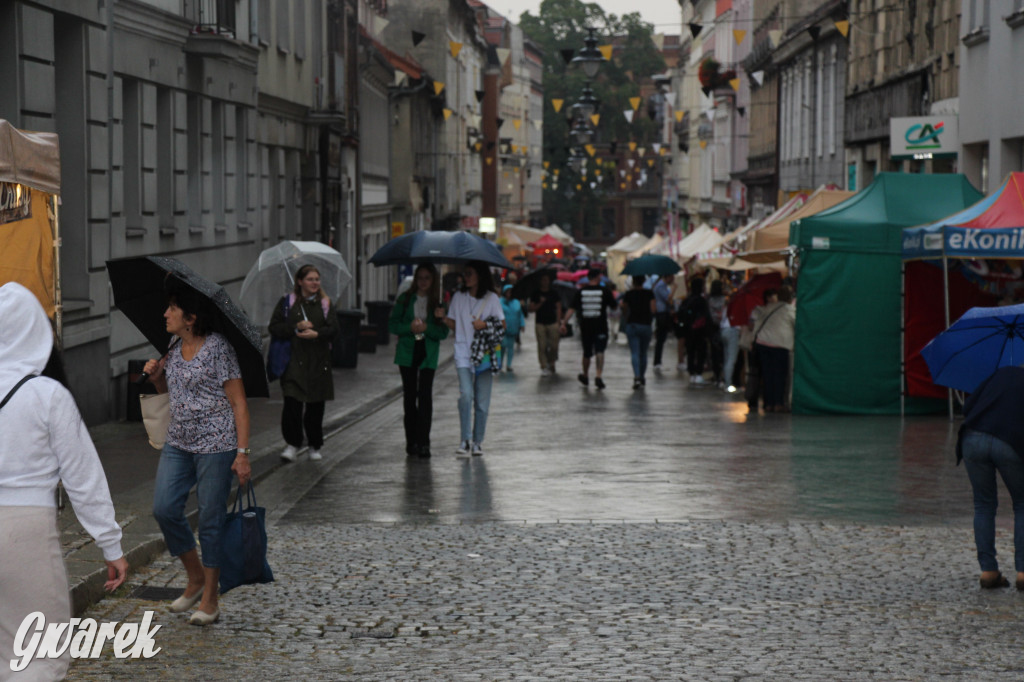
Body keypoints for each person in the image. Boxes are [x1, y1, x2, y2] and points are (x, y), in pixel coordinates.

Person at [0, 282, 129, 678]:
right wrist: (110, 543)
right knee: (40, 651)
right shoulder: (47, 395)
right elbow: (82, 475)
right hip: (25, 529)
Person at [144, 276, 252, 626]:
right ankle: (195, 576)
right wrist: (157, 377)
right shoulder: (173, 346)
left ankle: (210, 599)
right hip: (178, 441)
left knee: (210, 519)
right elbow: (171, 393)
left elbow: (239, 403)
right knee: (164, 508)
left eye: (172, 309)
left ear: (190, 318)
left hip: (216, 445)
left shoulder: (219, 348)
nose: (165, 314)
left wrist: (242, 452)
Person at [957, 366, 1024, 589]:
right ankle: (1023, 572)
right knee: (1022, 504)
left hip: (972, 438)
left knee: (983, 505)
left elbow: (968, 406)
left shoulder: (999, 374)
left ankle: (988, 571)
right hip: (1009, 442)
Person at [269, 264, 340, 462]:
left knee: (316, 405)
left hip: (318, 362)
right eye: (310, 279)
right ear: (300, 281)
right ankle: (292, 444)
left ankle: (314, 445)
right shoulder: (287, 302)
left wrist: (317, 334)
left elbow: (334, 330)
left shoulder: (325, 303)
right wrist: (295, 327)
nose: (315, 283)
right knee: (292, 403)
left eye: (317, 279)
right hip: (293, 361)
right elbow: (274, 327)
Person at [388, 264, 449, 459]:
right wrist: (410, 327)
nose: (423, 281)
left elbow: (443, 333)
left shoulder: (437, 303)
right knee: (409, 397)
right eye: (420, 277)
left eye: (427, 278)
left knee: (425, 397)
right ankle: (411, 441)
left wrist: (429, 326)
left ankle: (424, 442)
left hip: (428, 354)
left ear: (433, 280)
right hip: (407, 353)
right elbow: (393, 325)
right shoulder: (405, 300)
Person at [445, 261, 505, 457]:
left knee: (482, 403)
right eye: (465, 273)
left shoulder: (491, 298)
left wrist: (484, 325)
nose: (466, 277)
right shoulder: (458, 297)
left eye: (470, 273)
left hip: (485, 354)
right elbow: (454, 323)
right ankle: (465, 439)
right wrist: (442, 318)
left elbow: (502, 325)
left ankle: (477, 442)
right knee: (466, 395)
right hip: (463, 352)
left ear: (480, 275)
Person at [563, 268, 617, 390]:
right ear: (598, 277)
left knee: (587, 352)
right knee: (600, 351)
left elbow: (572, 308)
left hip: (586, 326)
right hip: (600, 325)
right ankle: (598, 375)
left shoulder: (581, 292)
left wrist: (564, 323)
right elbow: (614, 307)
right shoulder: (605, 291)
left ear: (588, 278)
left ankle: (585, 375)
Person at [752, 285, 796, 412]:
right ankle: (778, 403)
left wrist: (753, 340)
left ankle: (768, 403)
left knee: (767, 375)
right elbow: (797, 325)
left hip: (762, 343)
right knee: (780, 375)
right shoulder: (790, 310)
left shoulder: (769, 307)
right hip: (779, 345)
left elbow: (758, 323)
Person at [620, 275, 656, 390]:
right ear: (644, 281)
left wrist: (626, 316)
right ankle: (642, 376)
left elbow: (624, 309)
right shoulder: (649, 293)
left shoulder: (629, 294)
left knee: (635, 352)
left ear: (633, 282)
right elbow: (653, 309)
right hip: (646, 325)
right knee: (643, 353)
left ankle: (636, 376)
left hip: (632, 324)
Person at [678, 277, 712, 385]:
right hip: (700, 330)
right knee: (700, 351)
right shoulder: (702, 301)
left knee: (690, 351)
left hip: (688, 330)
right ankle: (698, 373)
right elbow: (707, 316)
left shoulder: (687, 300)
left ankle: (692, 373)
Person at [528, 271, 562, 376]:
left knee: (554, 345)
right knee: (542, 346)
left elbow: (558, 307)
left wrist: (559, 321)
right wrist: (540, 302)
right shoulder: (535, 293)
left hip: (553, 322)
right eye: (543, 280)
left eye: (547, 280)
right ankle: (543, 365)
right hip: (540, 323)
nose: (545, 282)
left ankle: (551, 361)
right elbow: (531, 309)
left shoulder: (554, 293)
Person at [652, 274, 676, 372]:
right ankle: (657, 362)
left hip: (663, 313)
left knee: (661, 339)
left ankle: (658, 361)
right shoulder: (661, 286)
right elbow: (668, 299)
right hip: (661, 314)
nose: (673, 279)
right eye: (672, 276)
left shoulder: (663, 286)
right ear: (667, 276)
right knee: (660, 339)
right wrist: (674, 289)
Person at [707, 279, 728, 387]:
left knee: (714, 353)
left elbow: (709, 315)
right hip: (723, 327)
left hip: (713, 328)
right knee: (724, 352)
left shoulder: (709, 300)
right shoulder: (725, 300)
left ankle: (716, 375)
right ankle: (724, 376)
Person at [500, 284, 526, 372]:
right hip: (502, 329)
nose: (509, 293)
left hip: (513, 328)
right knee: (503, 346)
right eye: (507, 292)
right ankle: (500, 364)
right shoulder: (500, 302)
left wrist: (522, 324)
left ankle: (509, 365)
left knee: (510, 347)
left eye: (511, 292)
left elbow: (520, 314)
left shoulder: (516, 302)